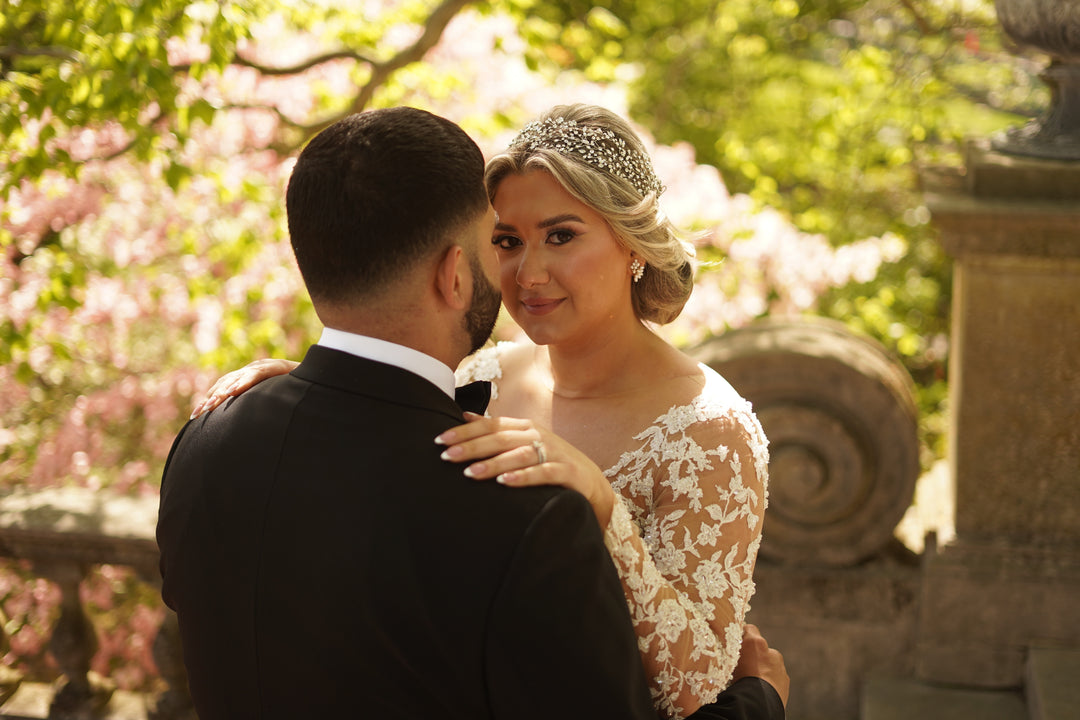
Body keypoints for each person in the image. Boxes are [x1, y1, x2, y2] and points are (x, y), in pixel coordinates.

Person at [185, 105, 785, 720]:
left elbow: (703, 685)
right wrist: (320, 386)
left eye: (561, 236)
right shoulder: (478, 376)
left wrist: (606, 512)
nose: (528, 273)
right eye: (506, 241)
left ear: (631, 244)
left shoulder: (709, 431)